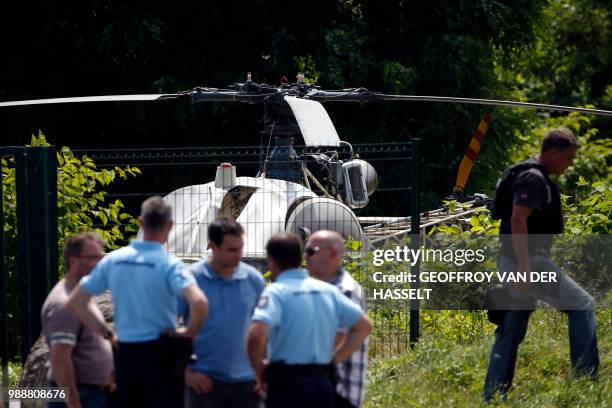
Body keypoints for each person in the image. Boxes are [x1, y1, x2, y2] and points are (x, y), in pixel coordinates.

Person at [483, 128, 599, 401]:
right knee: (583, 306)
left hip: (515, 261)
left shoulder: (529, 174)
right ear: (554, 152)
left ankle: (494, 393)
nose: (570, 164)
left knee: (511, 326)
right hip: (528, 263)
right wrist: (525, 268)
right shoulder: (534, 178)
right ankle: (585, 381)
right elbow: (517, 220)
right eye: (568, 158)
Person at [67, 196, 208, 408]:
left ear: (140, 222)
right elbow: (199, 303)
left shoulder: (114, 260)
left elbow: (77, 301)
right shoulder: (170, 265)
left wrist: (106, 333)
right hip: (163, 354)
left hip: (126, 353)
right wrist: (188, 333)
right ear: (170, 226)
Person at [247, 233, 373, 408]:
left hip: (288, 384)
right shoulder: (328, 291)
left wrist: (257, 371)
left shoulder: (276, 292)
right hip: (322, 383)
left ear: (271, 261)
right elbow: (365, 326)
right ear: (299, 258)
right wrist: (332, 360)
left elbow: (256, 334)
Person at [179, 218, 265, 408]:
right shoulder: (190, 279)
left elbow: (264, 329)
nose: (239, 255)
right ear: (214, 246)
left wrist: (262, 373)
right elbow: (166, 328)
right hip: (203, 382)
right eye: (232, 250)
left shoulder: (254, 280)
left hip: (246, 383)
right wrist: (186, 374)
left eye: (241, 248)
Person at [42, 233, 112, 408]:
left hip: (91, 393)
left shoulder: (80, 294)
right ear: (73, 261)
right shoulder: (64, 305)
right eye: (92, 258)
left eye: (100, 257)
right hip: (81, 396)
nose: (99, 264)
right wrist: (73, 402)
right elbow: (60, 359)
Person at [305, 230, 368, 408]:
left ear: (332, 253)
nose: (305, 256)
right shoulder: (328, 287)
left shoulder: (343, 290)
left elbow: (335, 339)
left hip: (338, 391)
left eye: (311, 251)